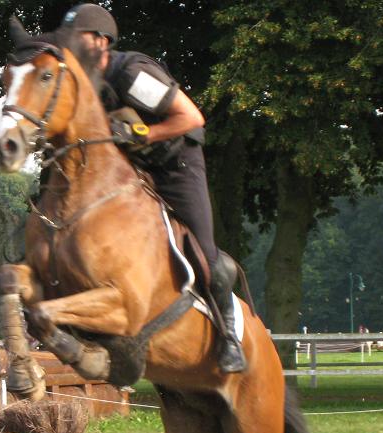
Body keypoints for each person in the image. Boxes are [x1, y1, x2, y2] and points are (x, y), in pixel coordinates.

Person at [59, 4, 246, 373]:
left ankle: (229, 337)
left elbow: (191, 117)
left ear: (100, 41)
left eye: (74, 37)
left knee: (203, 250)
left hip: (175, 166)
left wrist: (142, 133)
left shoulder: (131, 73)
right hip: (127, 171)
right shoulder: (81, 83)